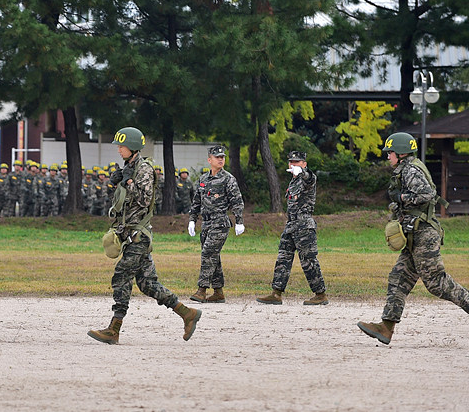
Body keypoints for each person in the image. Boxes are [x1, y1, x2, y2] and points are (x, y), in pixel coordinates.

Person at [88, 126, 201, 344]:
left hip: (138, 236)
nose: (119, 150)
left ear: (132, 147)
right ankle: (187, 314)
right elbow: (122, 202)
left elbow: (143, 199)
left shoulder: (144, 170)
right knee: (148, 284)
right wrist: (118, 182)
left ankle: (114, 329)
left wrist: (129, 182)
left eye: (121, 146)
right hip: (129, 235)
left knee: (121, 276)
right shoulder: (129, 167)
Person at [358, 132, 469, 344]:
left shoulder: (410, 169)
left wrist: (402, 198)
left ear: (401, 153)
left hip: (424, 234)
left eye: (390, 152)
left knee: (437, 283)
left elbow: (427, 194)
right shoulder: (406, 169)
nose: (387, 156)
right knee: (399, 278)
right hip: (414, 234)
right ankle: (386, 327)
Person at [256, 151, 328, 306]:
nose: (293, 164)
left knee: (308, 260)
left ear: (304, 164)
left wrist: (303, 173)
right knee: (283, 258)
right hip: (291, 226)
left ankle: (320, 294)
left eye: (297, 162)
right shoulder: (293, 182)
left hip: (303, 226)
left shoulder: (308, 178)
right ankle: (276, 293)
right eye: (291, 162)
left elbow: (309, 178)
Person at [187, 145, 245, 303]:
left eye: (223, 157)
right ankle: (218, 292)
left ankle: (202, 290)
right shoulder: (203, 179)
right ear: (209, 160)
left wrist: (239, 221)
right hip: (206, 223)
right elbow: (196, 202)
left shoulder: (228, 179)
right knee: (214, 257)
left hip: (220, 223)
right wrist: (192, 219)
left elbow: (237, 202)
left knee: (207, 254)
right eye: (217, 157)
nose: (221, 159)